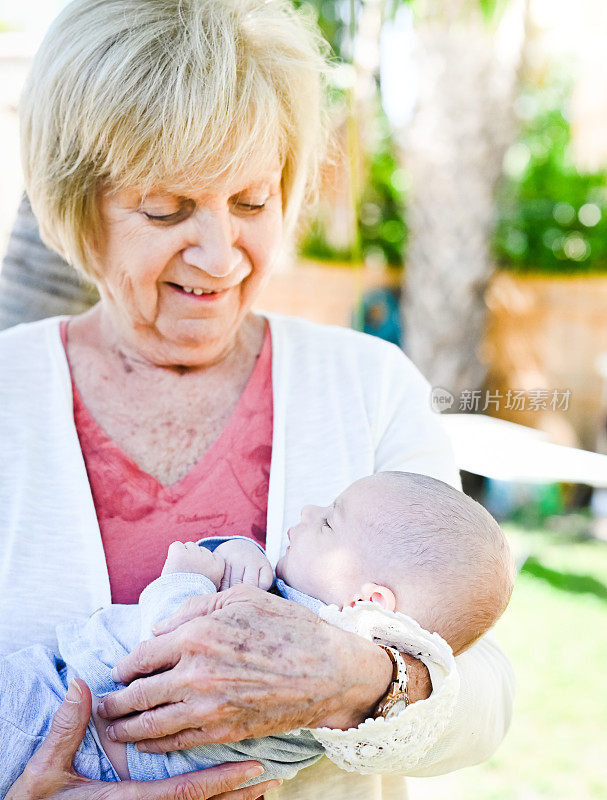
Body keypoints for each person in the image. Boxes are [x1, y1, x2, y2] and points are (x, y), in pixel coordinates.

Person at [0, 1, 515, 798]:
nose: (218, 254)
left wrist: (361, 677)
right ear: (78, 203)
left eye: (249, 202)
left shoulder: (368, 386)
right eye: (166, 208)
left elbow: (484, 692)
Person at [0, 472, 514, 790]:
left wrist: (183, 578)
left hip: (64, 730)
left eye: (329, 523)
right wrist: (236, 552)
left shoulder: (292, 663)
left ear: (367, 601)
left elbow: (166, 644)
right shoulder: (309, 623)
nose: (304, 515)